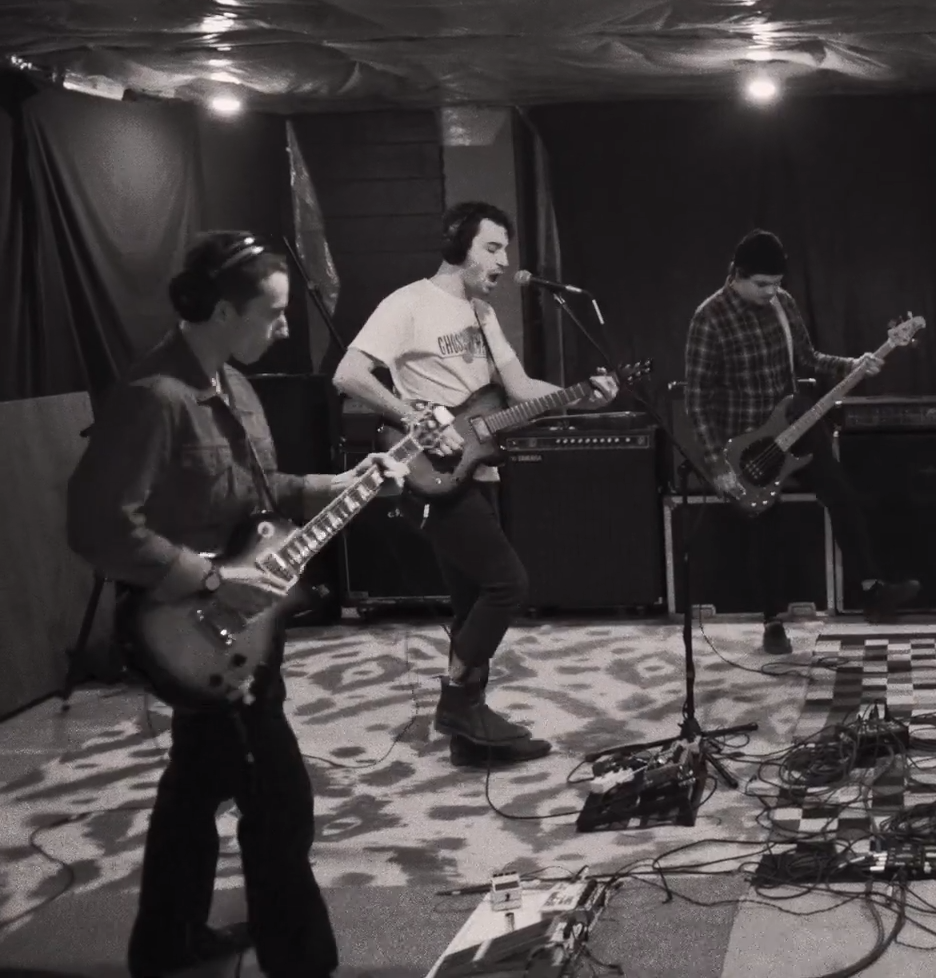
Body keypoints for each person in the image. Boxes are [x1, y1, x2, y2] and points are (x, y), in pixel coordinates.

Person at [68, 231, 410, 978]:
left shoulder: (235, 385)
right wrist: (213, 581)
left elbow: (259, 494)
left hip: (241, 628)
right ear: (224, 310)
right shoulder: (153, 398)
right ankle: (300, 961)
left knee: (195, 783)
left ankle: (167, 943)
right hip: (189, 628)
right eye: (274, 313)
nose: (285, 328)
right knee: (278, 800)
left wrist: (339, 484)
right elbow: (98, 527)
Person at [332, 201, 616, 766]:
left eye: (506, 249)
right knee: (508, 585)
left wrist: (581, 396)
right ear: (458, 246)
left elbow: (519, 387)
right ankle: (457, 703)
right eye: (492, 248)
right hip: (433, 472)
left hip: (479, 467)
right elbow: (349, 374)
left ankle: (470, 737)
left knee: (469, 604)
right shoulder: (408, 303)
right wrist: (413, 417)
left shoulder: (482, 313)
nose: (504, 261)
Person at [683, 229, 919, 654]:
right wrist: (717, 465)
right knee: (767, 528)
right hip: (746, 441)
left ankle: (872, 589)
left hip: (796, 421)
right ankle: (772, 621)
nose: (770, 292)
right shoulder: (709, 318)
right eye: (762, 284)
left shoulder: (783, 303)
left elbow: (808, 359)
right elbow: (697, 398)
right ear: (736, 274)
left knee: (843, 496)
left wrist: (854, 363)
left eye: (776, 283)